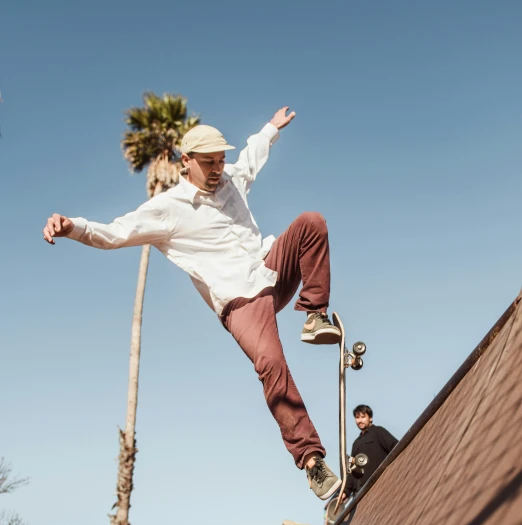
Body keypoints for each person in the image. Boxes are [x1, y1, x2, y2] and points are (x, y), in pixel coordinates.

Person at [42, 107, 343, 500]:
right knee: (271, 364)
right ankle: (311, 460)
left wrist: (271, 127)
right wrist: (73, 228)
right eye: (209, 163)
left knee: (311, 222)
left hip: (270, 271)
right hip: (239, 301)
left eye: (220, 161)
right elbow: (117, 232)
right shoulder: (168, 209)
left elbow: (252, 155)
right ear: (187, 162)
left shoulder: (231, 177)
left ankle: (315, 315)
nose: (218, 169)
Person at [345, 405, 398, 495]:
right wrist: (345, 492)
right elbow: (352, 470)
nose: (360, 420)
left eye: (363, 417)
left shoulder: (378, 432)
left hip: (382, 483)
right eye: (357, 417)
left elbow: (396, 447)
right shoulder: (356, 443)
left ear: (370, 418)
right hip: (361, 492)